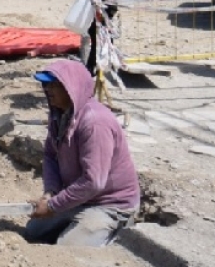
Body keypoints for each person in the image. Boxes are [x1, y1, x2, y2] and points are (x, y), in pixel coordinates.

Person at [23, 58, 139, 246]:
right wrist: (50, 193)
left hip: (109, 204)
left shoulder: (94, 123)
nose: (48, 90)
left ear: (71, 88)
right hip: (81, 198)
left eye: (54, 85)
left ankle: (117, 229)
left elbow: (94, 182)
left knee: (69, 248)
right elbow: (51, 156)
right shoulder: (59, 114)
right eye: (46, 84)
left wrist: (53, 206)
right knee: (34, 232)